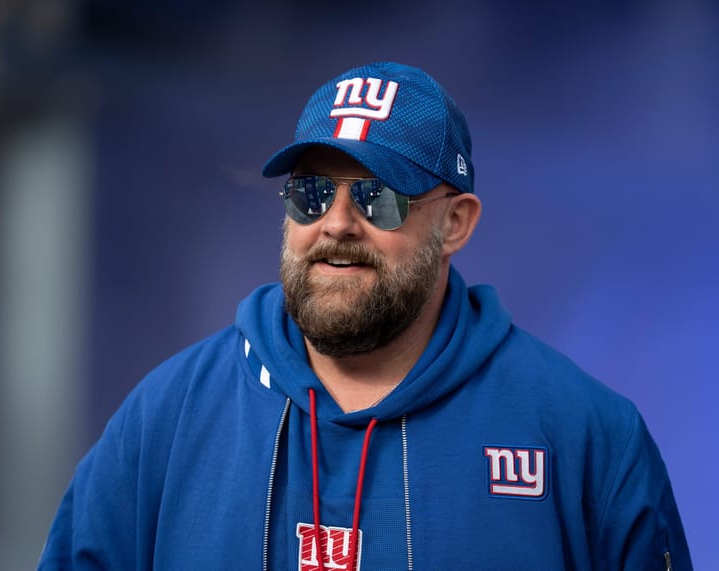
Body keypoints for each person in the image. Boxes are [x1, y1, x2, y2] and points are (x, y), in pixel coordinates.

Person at [38, 62, 691, 570]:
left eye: (378, 197)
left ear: (456, 223)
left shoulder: (583, 436)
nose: (337, 224)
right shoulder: (166, 419)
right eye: (312, 192)